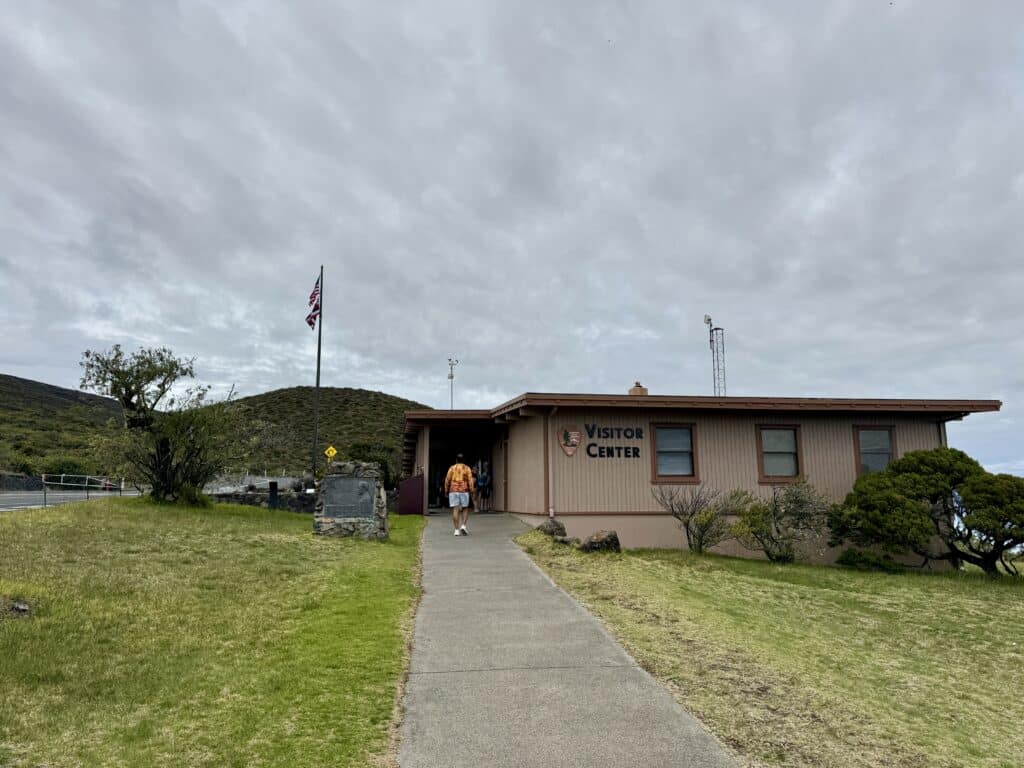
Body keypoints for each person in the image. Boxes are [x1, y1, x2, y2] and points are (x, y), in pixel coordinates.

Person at [444, 453, 475, 536]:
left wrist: (446, 490)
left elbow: (447, 480)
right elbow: (470, 481)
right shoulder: (467, 468)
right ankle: (463, 526)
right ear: (464, 460)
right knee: (465, 508)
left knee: (455, 509)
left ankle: (456, 530)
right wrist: (472, 491)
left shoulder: (452, 468)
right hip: (464, 490)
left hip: (453, 490)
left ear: (456, 460)